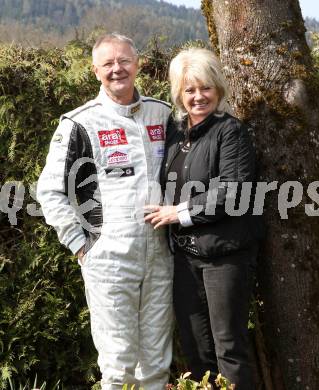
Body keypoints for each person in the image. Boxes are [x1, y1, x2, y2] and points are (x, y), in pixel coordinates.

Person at [37, 33, 173, 390]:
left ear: (137, 63)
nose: (118, 69)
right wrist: (82, 246)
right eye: (108, 64)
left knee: (157, 364)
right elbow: (49, 190)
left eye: (124, 61)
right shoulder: (79, 123)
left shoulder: (164, 113)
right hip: (109, 258)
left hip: (161, 254)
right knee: (117, 366)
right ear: (95, 70)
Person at [145, 47, 261, 389]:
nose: (198, 97)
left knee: (229, 348)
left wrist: (178, 212)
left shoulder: (230, 132)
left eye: (205, 88)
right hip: (185, 258)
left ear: (218, 89)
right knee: (196, 349)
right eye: (189, 89)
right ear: (179, 93)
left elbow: (233, 192)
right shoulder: (176, 132)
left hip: (225, 256)